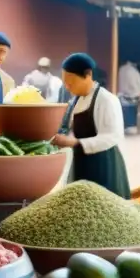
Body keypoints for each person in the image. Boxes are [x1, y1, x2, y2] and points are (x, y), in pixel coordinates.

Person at [52, 52, 130, 198]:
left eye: (71, 82)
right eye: (65, 82)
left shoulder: (106, 99)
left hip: (103, 164)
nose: (67, 87)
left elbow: (112, 136)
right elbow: (69, 127)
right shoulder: (75, 100)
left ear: (88, 75)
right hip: (82, 162)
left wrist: (76, 142)